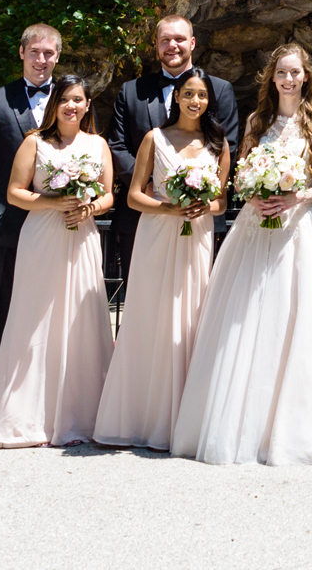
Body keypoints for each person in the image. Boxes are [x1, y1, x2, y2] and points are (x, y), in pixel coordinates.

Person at [171, 44, 312, 465]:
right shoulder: (257, 121)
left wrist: (295, 198)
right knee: (248, 316)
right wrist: (255, 197)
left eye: (295, 72)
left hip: (299, 228)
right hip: (256, 228)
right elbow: (242, 174)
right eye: (281, 73)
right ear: (271, 78)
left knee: (298, 316)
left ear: (306, 77)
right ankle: (240, 421)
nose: (288, 79)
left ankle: (294, 423)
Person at [92, 67, 229, 449]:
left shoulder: (218, 143)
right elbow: (134, 195)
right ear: (177, 99)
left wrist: (204, 206)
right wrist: (169, 209)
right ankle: (141, 417)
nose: (195, 101)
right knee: (150, 317)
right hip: (156, 233)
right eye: (188, 94)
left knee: (190, 320)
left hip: (195, 238)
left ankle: (183, 421)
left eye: (201, 95)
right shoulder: (154, 138)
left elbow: (221, 203)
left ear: (208, 101)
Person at [0, 75, 117, 447]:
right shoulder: (34, 143)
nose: (72, 106)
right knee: (34, 320)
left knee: (78, 321)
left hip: (82, 237)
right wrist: (55, 203)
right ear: (55, 103)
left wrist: (90, 208)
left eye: (79, 100)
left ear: (88, 106)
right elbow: (14, 192)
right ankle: (25, 419)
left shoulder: (98, 144)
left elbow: (108, 196)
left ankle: (78, 418)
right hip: (41, 236)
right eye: (65, 99)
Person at [0, 22, 62, 438]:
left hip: (58, 231)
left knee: (51, 321)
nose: (42, 60)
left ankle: (45, 412)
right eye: (35, 52)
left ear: (58, 56)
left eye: (49, 54)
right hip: (6, 231)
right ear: (21, 53)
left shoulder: (72, 101)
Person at [107, 16, 241, 283]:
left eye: (179, 39)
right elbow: (117, 145)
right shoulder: (131, 91)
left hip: (199, 218)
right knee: (144, 299)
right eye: (165, 40)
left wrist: (198, 194)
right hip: (141, 216)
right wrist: (150, 183)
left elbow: (228, 147)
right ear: (155, 45)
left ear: (192, 43)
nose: (172, 45)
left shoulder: (220, 89)